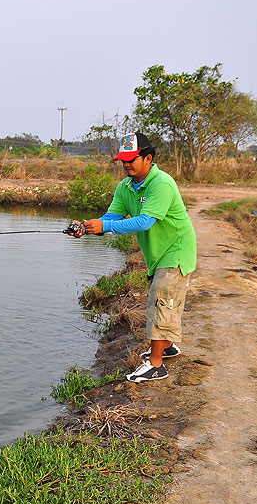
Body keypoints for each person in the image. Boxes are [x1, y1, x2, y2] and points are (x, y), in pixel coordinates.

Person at [70, 132, 197, 383]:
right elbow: (113, 216)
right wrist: (89, 226)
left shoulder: (162, 183)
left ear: (148, 158)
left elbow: (145, 221)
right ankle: (167, 346)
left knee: (162, 300)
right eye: (123, 161)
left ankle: (156, 365)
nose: (126, 164)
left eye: (132, 159)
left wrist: (105, 228)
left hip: (176, 250)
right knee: (165, 301)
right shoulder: (125, 187)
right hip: (157, 253)